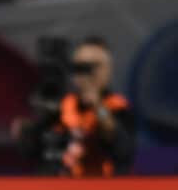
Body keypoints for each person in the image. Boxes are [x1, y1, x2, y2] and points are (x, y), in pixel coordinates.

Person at [13, 37, 135, 176]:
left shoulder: (117, 105)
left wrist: (98, 106)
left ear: (107, 70)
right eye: (79, 68)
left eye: (91, 67)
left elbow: (122, 148)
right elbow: (38, 152)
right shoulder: (64, 104)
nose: (85, 75)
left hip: (104, 188)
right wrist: (27, 134)